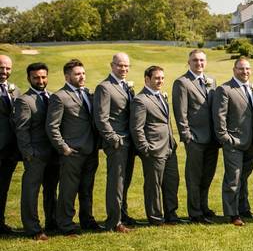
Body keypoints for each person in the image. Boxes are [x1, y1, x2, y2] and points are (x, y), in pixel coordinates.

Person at [47, 59, 102, 235]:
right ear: (67, 76)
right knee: (68, 191)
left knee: (87, 188)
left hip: (90, 150)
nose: (82, 76)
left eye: (83, 73)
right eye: (77, 74)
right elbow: (52, 126)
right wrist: (64, 148)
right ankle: (66, 224)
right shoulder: (59, 97)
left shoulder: (87, 93)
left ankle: (87, 220)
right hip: (72, 152)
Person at [172, 49, 219, 224]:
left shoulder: (211, 81)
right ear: (189, 62)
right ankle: (195, 212)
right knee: (194, 177)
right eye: (195, 60)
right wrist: (187, 137)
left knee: (207, 175)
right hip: (195, 138)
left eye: (201, 60)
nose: (199, 63)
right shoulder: (182, 83)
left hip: (212, 138)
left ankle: (204, 206)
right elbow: (180, 113)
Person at [92, 52, 138, 233]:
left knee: (125, 181)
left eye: (126, 66)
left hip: (129, 142)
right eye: (120, 65)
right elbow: (101, 119)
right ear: (112, 65)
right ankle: (114, 221)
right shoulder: (105, 87)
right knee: (116, 183)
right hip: (117, 143)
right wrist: (114, 139)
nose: (124, 69)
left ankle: (123, 214)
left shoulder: (125, 86)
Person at [132, 66, 182, 225]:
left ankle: (171, 215)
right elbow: (137, 128)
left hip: (169, 148)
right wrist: (145, 149)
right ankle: (155, 218)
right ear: (147, 79)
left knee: (172, 182)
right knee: (153, 186)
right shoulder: (141, 100)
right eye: (156, 78)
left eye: (162, 78)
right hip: (153, 150)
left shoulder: (161, 96)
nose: (160, 81)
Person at [13, 62, 58, 240]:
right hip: (35, 154)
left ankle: (52, 222)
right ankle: (33, 228)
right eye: (36, 77)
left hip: (53, 152)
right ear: (29, 78)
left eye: (43, 77)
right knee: (31, 192)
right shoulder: (24, 100)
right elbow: (21, 129)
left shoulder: (53, 96)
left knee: (51, 190)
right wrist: (28, 153)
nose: (40, 80)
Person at [213, 57, 253, 227]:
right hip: (234, 142)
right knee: (233, 178)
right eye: (241, 69)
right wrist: (226, 138)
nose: (245, 72)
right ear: (234, 70)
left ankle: (244, 208)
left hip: (252, 142)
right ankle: (232, 214)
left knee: (244, 177)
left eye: (247, 69)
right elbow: (219, 117)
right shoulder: (225, 89)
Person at [0, 54, 21, 233]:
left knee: (4, 187)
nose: (4, 72)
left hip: (10, 149)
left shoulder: (15, 90)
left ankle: (1, 223)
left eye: (7, 68)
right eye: (1, 68)